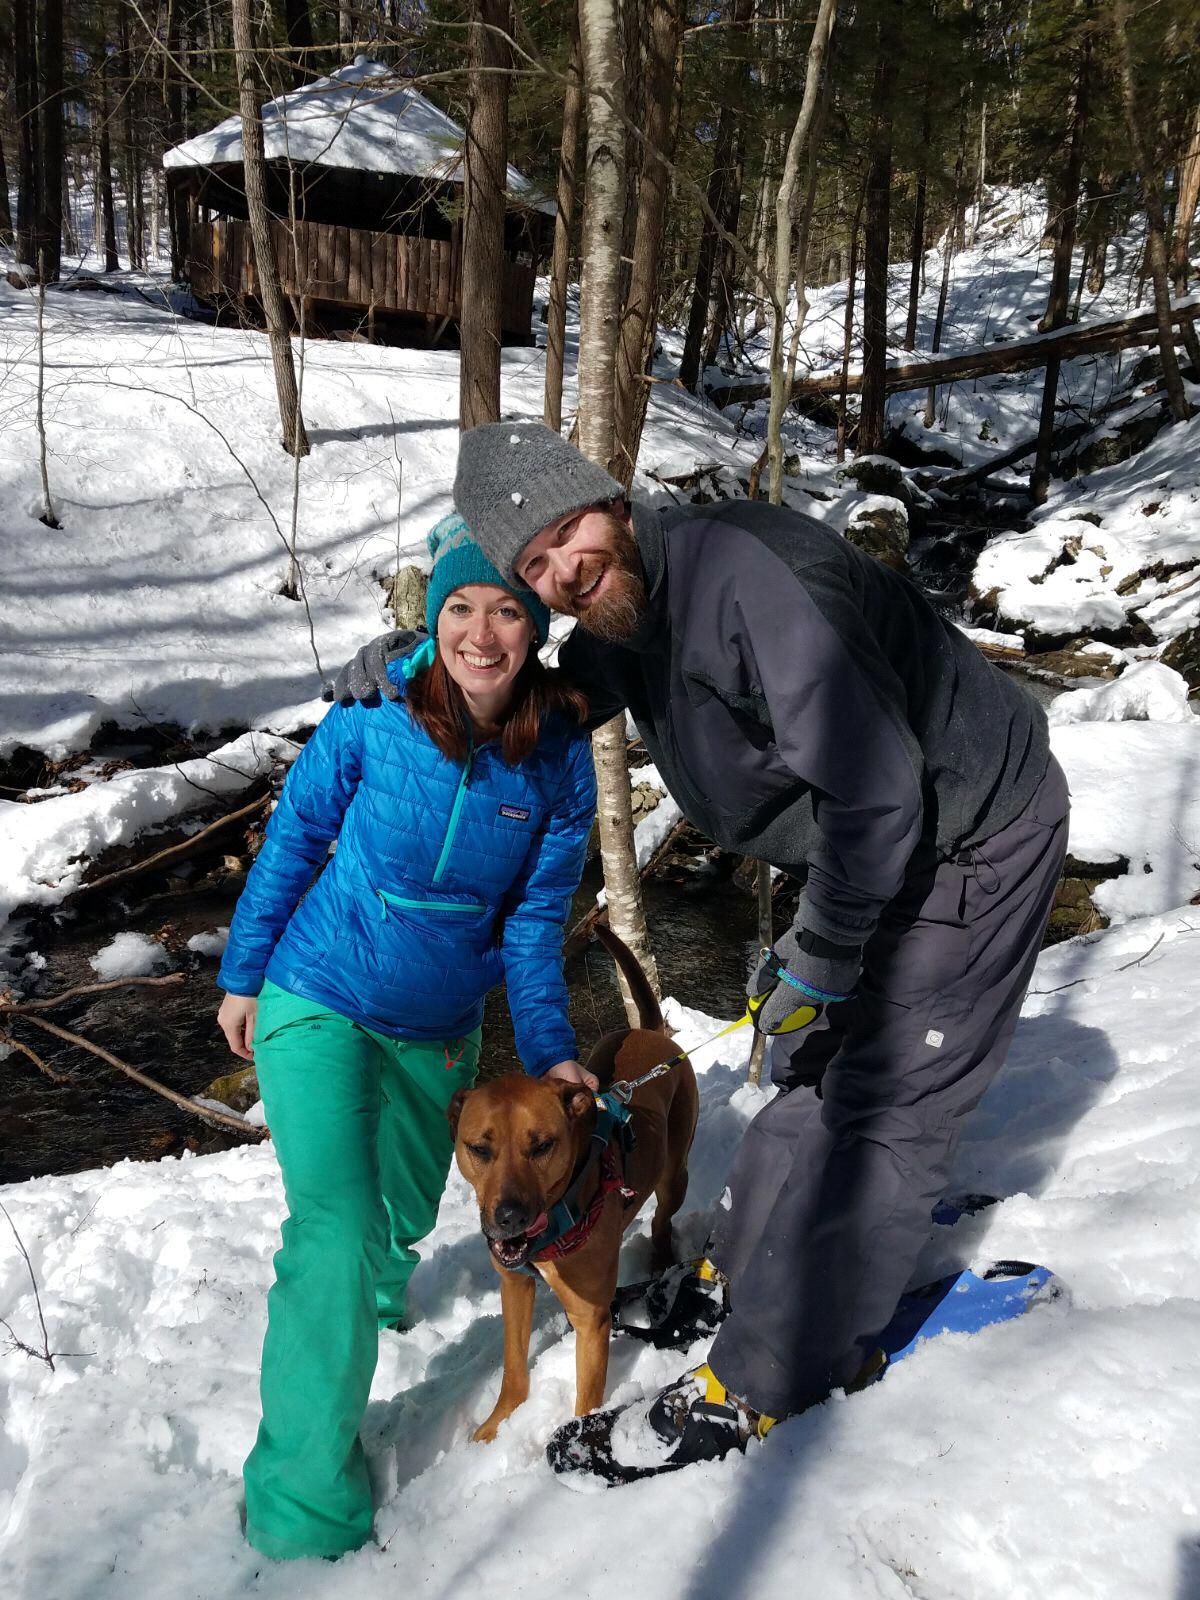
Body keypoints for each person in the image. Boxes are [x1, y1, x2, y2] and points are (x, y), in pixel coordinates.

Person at [336, 423, 1069, 1485]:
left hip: (971, 835)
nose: (563, 573)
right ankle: (756, 1262)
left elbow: (875, 791)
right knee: (814, 1078)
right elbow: (546, 705)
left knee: (889, 1102)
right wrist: (419, 677)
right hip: (880, 849)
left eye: (566, 536)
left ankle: (770, 1376)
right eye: (534, 568)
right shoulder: (632, 608)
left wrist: (820, 957)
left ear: (611, 501)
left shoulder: (748, 584)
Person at [217, 514, 596, 1556]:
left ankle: (378, 1288)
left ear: (534, 629)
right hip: (319, 986)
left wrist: (555, 1045)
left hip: (437, 1027)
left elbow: (531, 926)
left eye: (507, 611)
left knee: (397, 1218)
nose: (482, 634)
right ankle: (300, 1504)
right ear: (432, 621)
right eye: (461, 608)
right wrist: (244, 973)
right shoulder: (370, 716)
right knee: (332, 1236)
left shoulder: (559, 763)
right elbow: (294, 837)